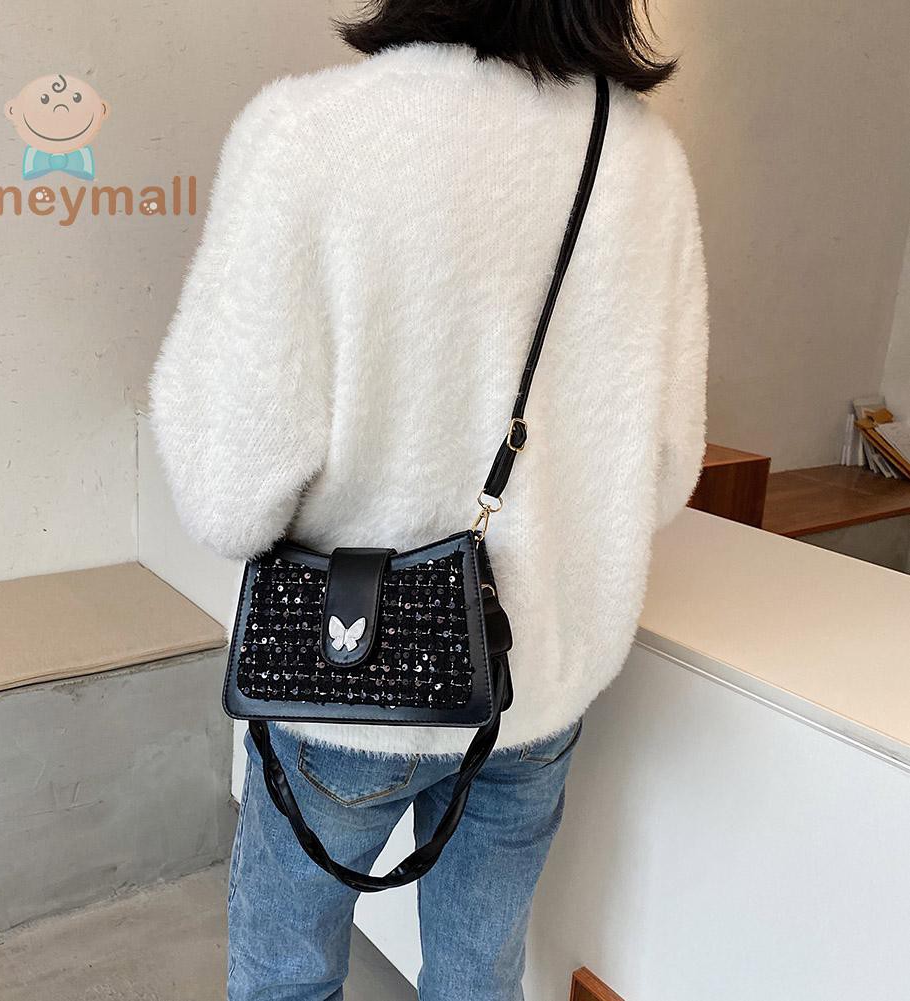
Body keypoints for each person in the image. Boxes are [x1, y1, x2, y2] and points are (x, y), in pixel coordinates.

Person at [149, 1, 708, 997]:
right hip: (535, 685)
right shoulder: (638, 155)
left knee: (284, 975)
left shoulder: (306, 132)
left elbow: (227, 492)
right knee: (477, 976)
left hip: (343, 679)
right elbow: (663, 470)